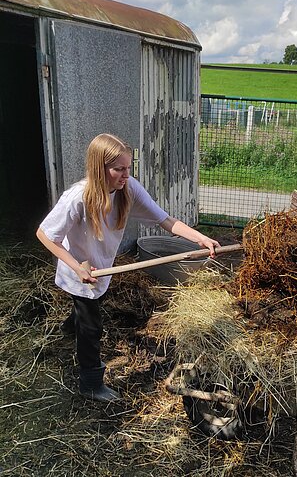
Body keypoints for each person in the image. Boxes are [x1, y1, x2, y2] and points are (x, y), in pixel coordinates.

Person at [36, 133, 220, 402]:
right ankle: (91, 383)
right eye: (119, 169)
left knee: (88, 309)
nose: (126, 175)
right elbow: (44, 234)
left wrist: (201, 238)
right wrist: (77, 268)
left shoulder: (128, 189)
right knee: (92, 327)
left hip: (102, 268)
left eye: (128, 168)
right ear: (100, 169)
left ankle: (68, 328)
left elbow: (165, 220)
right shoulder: (77, 198)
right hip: (81, 271)